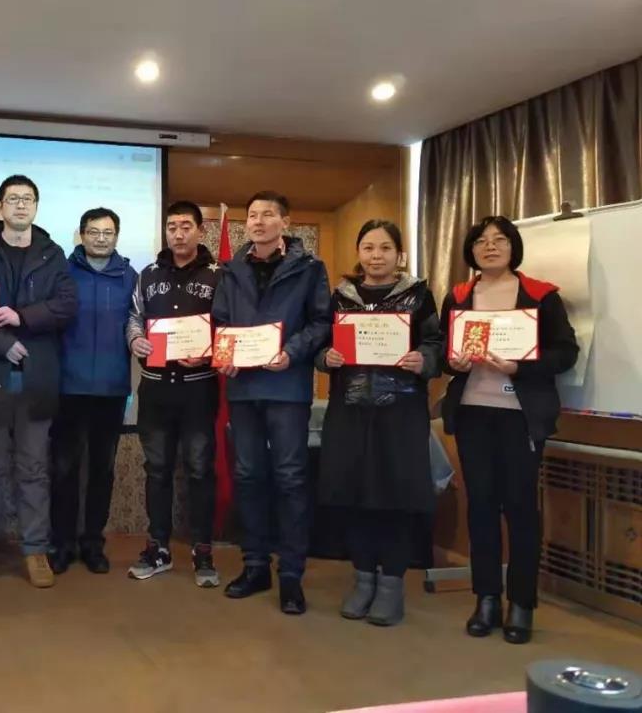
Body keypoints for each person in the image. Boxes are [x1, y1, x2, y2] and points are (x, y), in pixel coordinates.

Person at [440, 215, 578, 644]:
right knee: (480, 506)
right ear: (471, 250)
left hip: (520, 416)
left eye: (500, 240)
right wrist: (453, 361)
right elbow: (446, 352)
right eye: (481, 241)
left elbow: (566, 352)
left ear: (513, 247)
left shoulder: (541, 295)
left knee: (520, 508)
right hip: (473, 413)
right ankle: (486, 598)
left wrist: (521, 366)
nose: (490, 247)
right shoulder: (459, 296)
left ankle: (521, 603)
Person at [0, 174, 78, 591]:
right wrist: (3, 344)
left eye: (27, 199)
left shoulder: (52, 254)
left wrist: (22, 317)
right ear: (0, 206)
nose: (20, 205)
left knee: (34, 470)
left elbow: (66, 305)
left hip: (38, 377)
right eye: (13, 199)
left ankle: (35, 550)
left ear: (36, 207)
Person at [315, 219, 441, 626]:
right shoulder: (341, 297)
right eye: (368, 247)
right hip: (350, 410)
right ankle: (363, 578)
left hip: (401, 412)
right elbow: (321, 343)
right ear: (359, 253)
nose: (376, 256)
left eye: (385, 248)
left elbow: (435, 342)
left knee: (396, 496)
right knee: (354, 494)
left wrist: (425, 359)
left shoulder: (418, 295)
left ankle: (391, 585)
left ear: (399, 254)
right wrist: (326, 357)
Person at [211, 191, 331, 614]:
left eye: (267, 215)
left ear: (286, 222)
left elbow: (321, 322)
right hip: (243, 387)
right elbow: (220, 321)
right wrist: (223, 354)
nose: (258, 222)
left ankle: (292, 575)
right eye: (252, 216)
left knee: (291, 477)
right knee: (248, 476)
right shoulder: (231, 270)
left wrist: (292, 353)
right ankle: (255, 565)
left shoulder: (309, 268)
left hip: (286, 386)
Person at [126, 201, 221, 587]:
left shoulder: (219, 276)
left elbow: (229, 325)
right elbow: (134, 316)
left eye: (186, 226)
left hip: (199, 389)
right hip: (155, 388)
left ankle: (203, 551)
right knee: (157, 469)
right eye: (171, 227)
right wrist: (135, 339)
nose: (178, 234)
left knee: (200, 469)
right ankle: (158, 548)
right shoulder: (147, 275)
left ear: (200, 230)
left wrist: (210, 353)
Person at [49, 207, 137, 574]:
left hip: (112, 389)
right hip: (67, 387)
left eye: (108, 232)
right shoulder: (62, 273)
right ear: (81, 234)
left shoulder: (130, 277)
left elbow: (138, 324)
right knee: (63, 469)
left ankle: (92, 543)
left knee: (102, 470)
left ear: (116, 236)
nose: (101, 238)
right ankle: (62, 544)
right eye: (94, 232)